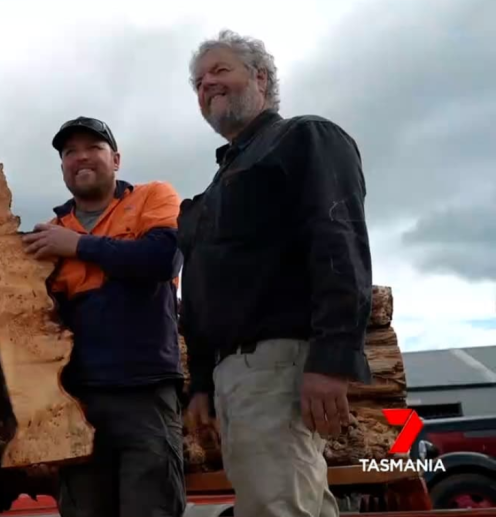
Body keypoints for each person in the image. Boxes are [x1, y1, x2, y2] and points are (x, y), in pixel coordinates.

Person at [178, 30, 374, 517]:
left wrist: (331, 359)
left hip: (278, 366)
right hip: (235, 376)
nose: (208, 86)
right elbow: (202, 292)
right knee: (286, 503)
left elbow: (339, 243)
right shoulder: (219, 182)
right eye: (199, 82)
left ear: (261, 78)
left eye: (220, 71)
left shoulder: (304, 138)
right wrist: (202, 380)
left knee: (276, 506)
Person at [22, 116, 187, 517]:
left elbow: (163, 259)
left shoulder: (153, 197)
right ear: (62, 167)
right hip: (78, 403)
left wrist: (77, 245)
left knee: (150, 507)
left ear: (115, 159)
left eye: (92, 148)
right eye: (69, 152)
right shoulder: (50, 232)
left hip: (144, 392)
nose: (81, 158)